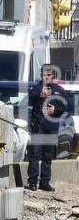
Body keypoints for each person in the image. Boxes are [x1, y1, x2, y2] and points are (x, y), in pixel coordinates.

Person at [27, 64, 67, 192]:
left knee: (48, 155)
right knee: (35, 154)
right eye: (44, 75)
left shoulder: (59, 90)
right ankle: (32, 181)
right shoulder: (36, 88)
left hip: (51, 127)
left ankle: (45, 182)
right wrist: (40, 94)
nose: (46, 77)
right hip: (38, 126)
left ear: (53, 75)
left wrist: (55, 110)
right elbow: (31, 98)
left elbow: (65, 108)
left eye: (49, 75)